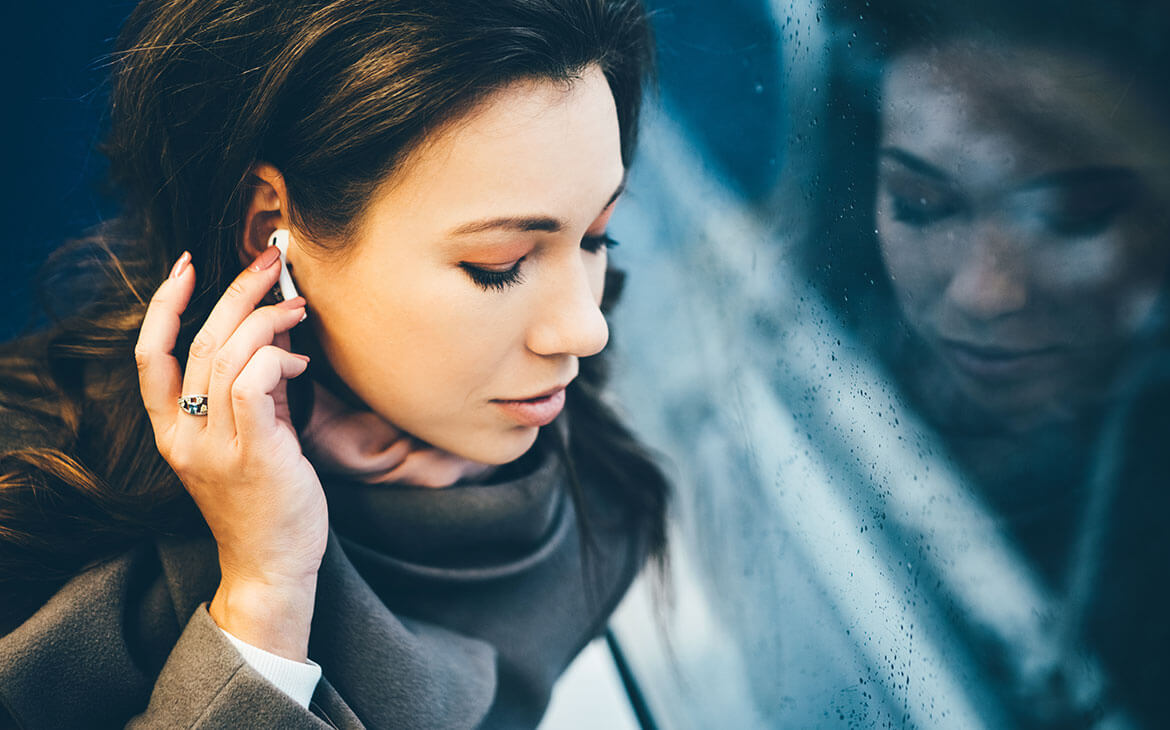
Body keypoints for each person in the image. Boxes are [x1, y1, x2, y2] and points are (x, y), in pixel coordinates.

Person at [0, 0, 669, 727]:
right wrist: (264, 593)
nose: (586, 329)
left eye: (600, 237)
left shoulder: (594, 498)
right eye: (498, 266)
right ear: (272, 233)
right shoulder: (34, 503)